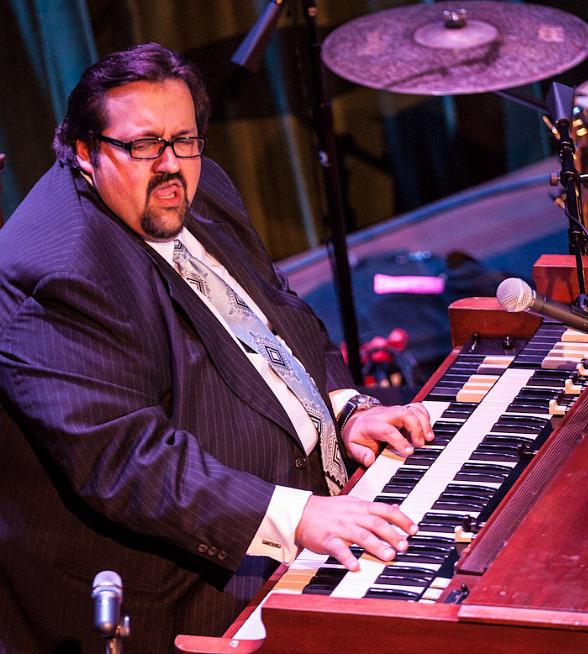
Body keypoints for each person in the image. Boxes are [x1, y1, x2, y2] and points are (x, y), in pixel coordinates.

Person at [0, 43, 434, 653]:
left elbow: (275, 309)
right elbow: (126, 460)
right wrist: (298, 517)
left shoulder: (194, 182)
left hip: (300, 511)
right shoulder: (59, 273)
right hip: (181, 590)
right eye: (143, 145)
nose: (171, 164)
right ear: (84, 151)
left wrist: (344, 407)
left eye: (184, 139)